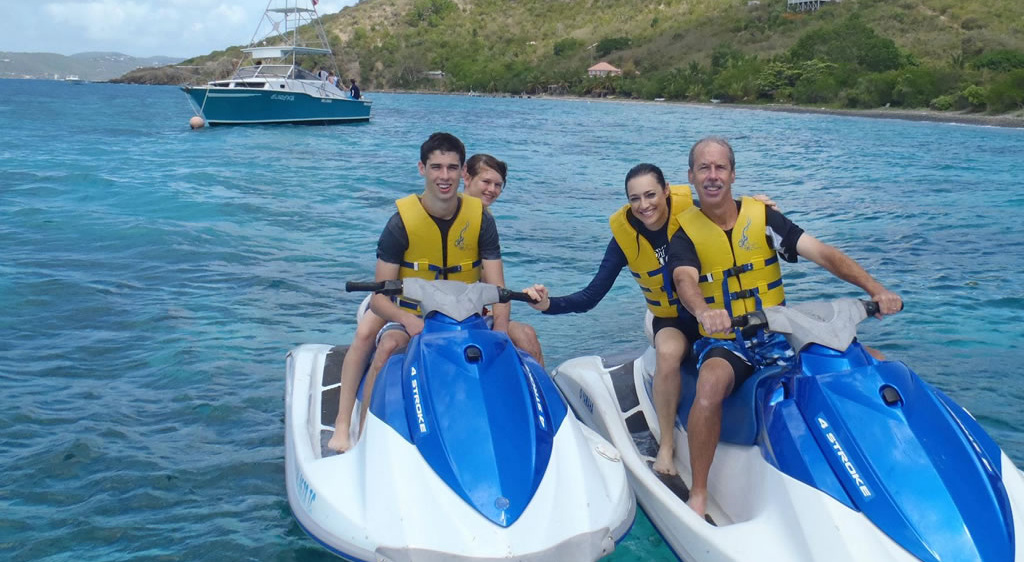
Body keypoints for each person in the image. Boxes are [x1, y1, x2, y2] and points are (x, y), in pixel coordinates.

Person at [668, 136, 903, 519]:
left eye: (720, 167)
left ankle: (898, 449)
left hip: (778, 329)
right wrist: (705, 311)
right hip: (728, 338)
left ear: (732, 173)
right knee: (710, 385)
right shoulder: (685, 233)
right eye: (704, 169)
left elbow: (823, 253)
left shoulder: (762, 219)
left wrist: (875, 289)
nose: (713, 176)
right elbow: (685, 281)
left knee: (870, 361)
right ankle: (698, 492)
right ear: (691, 176)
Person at [522, 165, 778, 477]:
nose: (644, 205)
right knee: (669, 353)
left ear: (667, 191)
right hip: (672, 319)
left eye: (650, 195)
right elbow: (592, 295)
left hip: (712, 315)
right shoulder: (624, 240)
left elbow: (726, 210)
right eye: (635, 198)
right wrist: (548, 305)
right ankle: (667, 445)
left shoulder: (694, 215)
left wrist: (755, 208)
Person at [328, 133, 514, 453]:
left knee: (521, 338)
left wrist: (500, 334)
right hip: (410, 310)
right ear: (422, 169)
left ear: (462, 173)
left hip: (461, 315)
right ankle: (352, 427)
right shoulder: (400, 223)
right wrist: (406, 320)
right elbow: (379, 297)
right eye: (436, 167)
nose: (444, 176)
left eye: (452, 168)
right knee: (377, 341)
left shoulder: (480, 219)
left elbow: (497, 288)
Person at [462, 153, 544, 365]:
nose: (492, 190)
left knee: (526, 335)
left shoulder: (486, 221)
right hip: (438, 313)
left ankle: (541, 395)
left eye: (498, 185)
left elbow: (497, 286)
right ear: (466, 177)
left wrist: (500, 329)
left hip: (476, 314)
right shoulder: (446, 214)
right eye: (486, 182)